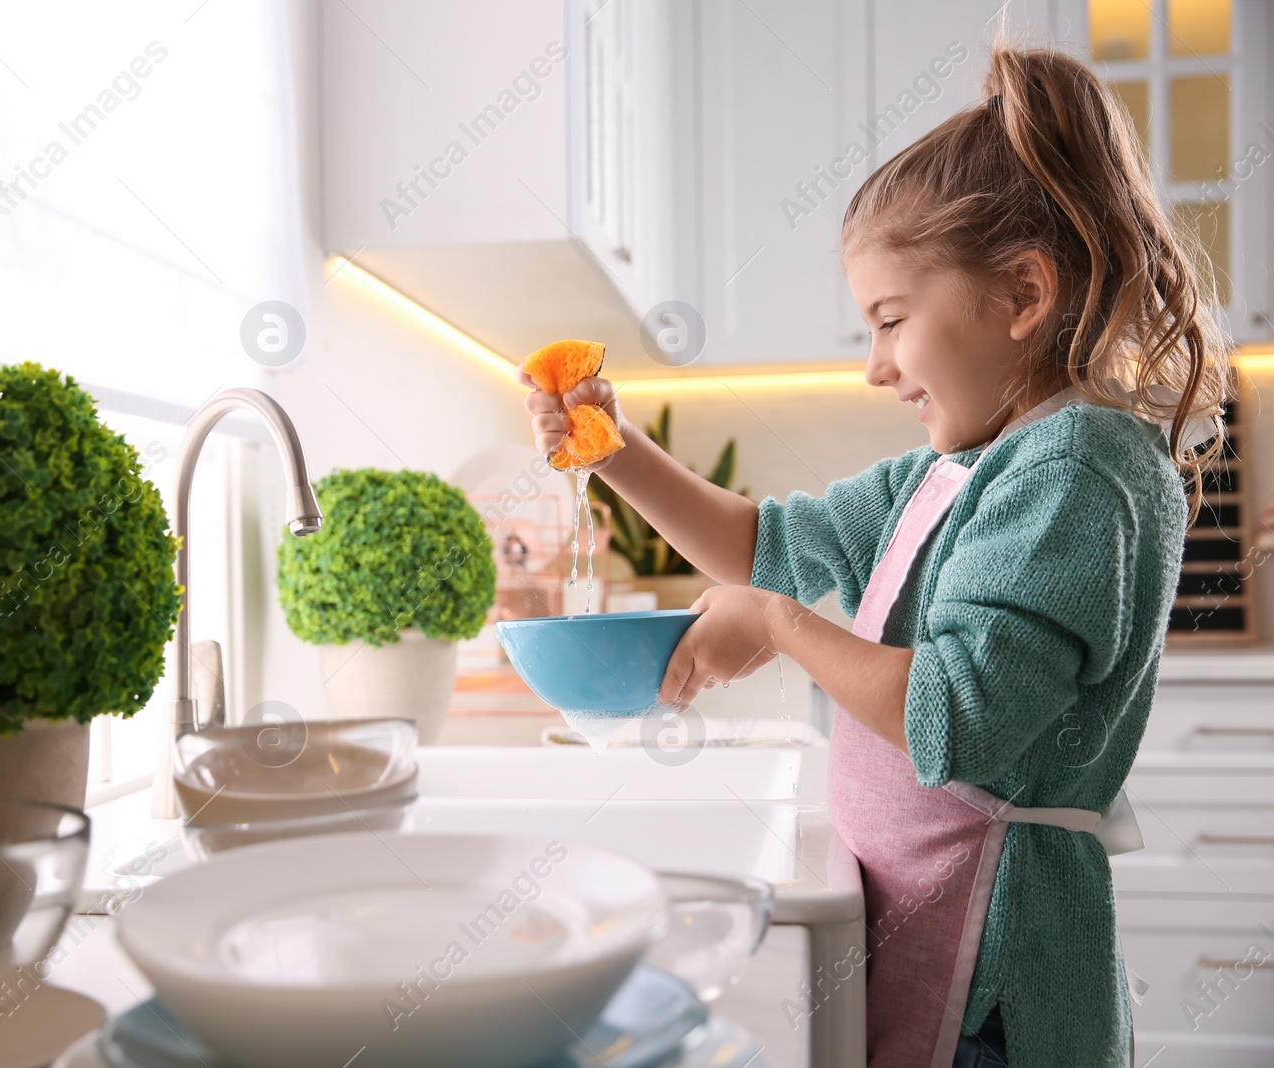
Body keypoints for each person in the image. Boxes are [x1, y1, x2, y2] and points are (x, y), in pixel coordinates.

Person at [520, 44, 1232, 1068]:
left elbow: (955, 715)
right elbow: (765, 546)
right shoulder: (955, 471)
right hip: (929, 935)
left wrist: (773, 625)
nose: (873, 365)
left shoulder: (1077, 466)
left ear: (1023, 295)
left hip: (999, 986)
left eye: (891, 320)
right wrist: (614, 447)